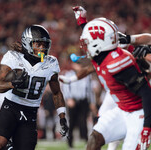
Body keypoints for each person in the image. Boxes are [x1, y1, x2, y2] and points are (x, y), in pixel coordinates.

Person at [60, 6, 151, 150]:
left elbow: (146, 92)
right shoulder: (101, 53)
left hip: (138, 112)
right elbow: (96, 40)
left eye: (88, 43)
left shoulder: (117, 62)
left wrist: (147, 126)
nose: (85, 46)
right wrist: (82, 21)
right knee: (95, 138)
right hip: (122, 108)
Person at [0, 24, 69, 150]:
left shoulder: (51, 63)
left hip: (30, 112)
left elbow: (56, 92)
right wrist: (12, 84)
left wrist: (62, 116)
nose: (42, 48)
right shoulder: (14, 58)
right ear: (27, 43)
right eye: (38, 44)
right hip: (11, 107)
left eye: (44, 45)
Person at [61, 62, 97, 148]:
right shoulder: (69, 74)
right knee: (72, 122)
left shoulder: (86, 76)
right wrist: (68, 99)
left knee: (83, 121)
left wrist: (92, 102)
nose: (78, 66)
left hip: (83, 100)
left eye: (80, 65)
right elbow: (65, 88)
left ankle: (85, 140)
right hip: (73, 100)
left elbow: (89, 90)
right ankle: (70, 141)